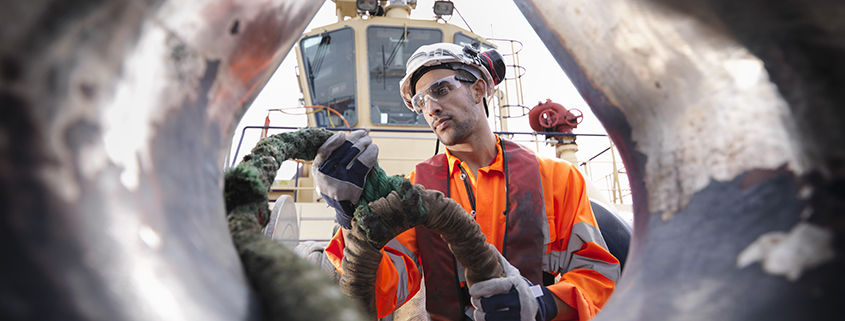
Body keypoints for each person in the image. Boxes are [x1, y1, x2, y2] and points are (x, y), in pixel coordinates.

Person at [315, 43, 620, 321]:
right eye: (421, 102)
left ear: (478, 89)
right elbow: (383, 291)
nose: (431, 108)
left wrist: (542, 304)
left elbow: (599, 279)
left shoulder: (558, 179)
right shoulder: (414, 189)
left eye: (441, 90)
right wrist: (350, 218)